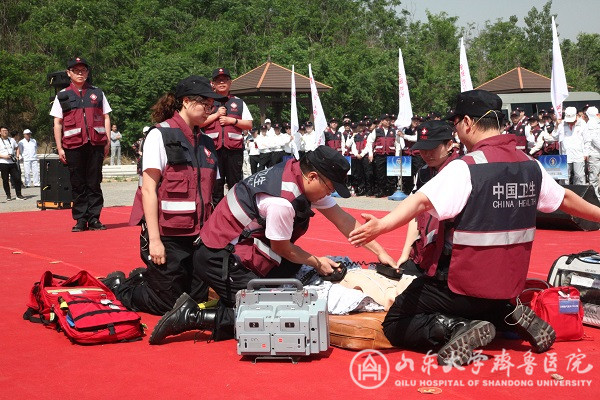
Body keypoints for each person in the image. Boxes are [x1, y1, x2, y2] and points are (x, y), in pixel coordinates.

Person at [348, 90, 600, 367]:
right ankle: (507, 312)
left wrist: (382, 224)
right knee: (485, 301)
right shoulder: (531, 165)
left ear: (467, 122)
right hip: (506, 285)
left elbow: (420, 201)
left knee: (396, 321)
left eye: (455, 123)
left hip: (460, 285)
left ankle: (454, 328)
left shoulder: (465, 168)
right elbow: (565, 198)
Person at [148, 146, 396, 344]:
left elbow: (344, 221)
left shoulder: (296, 172)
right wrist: (317, 262)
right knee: (279, 313)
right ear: (313, 177)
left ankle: (226, 299)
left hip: (233, 250)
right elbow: (282, 248)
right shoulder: (281, 202)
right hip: (220, 259)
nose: (328, 194)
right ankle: (193, 316)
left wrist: (381, 252)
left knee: (293, 276)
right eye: (329, 188)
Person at [108, 75, 227, 316]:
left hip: (199, 239)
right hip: (168, 237)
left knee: (195, 301)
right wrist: (155, 241)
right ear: (185, 101)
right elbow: (149, 190)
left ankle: (148, 278)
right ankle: (121, 288)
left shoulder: (206, 142)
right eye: (205, 104)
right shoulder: (160, 135)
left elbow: (214, 195)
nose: (209, 110)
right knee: (167, 305)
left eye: (212, 106)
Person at [50, 57, 111, 232]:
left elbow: (106, 116)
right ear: (68, 73)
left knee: (94, 182)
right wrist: (60, 147)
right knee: (78, 183)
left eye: (83, 70)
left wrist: (106, 140)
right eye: (76, 70)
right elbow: (57, 123)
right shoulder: (62, 95)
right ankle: (80, 219)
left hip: (96, 144)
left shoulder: (97, 93)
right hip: (73, 145)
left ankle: (94, 219)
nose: (80, 73)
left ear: (88, 72)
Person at [396, 120, 460, 276]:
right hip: (425, 254)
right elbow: (416, 215)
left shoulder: (461, 170)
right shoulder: (424, 172)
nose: (427, 154)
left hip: (453, 259)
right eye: (423, 149)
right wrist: (405, 254)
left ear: (450, 145)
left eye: (433, 148)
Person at [202, 68, 253, 206]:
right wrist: (216, 115)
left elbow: (249, 124)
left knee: (235, 186)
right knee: (215, 187)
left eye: (225, 79)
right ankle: (216, 219)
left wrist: (233, 121)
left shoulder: (239, 102)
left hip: (234, 150)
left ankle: (234, 217)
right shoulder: (207, 103)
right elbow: (199, 123)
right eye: (218, 80)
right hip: (212, 151)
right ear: (213, 84)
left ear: (230, 83)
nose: (222, 82)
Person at [556, 106, 589, 185]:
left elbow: (587, 140)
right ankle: (565, 195)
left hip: (579, 155)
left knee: (579, 176)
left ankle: (579, 195)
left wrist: (586, 153)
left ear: (576, 116)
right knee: (564, 178)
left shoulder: (582, 123)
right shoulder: (561, 124)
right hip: (565, 154)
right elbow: (554, 136)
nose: (570, 122)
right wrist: (556, 126)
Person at [0, 126, 24, 200]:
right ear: (0, 132)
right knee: (5, 179)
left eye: (6, 130)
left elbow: (17, 148)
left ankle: (19, 194)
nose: (5, 132)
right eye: (3, 130)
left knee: (17, 178)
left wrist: (17, 156)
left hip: (12, 162)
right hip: (3, 162)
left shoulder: (12, 140)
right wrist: (4, 156)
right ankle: (8, 195)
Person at [586, 106, 600, 197]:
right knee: (594, 177)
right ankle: (595, 198)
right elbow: (594, 139)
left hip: (597, 153)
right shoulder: (591, 123)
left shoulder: (596, 123)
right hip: (594, 154)